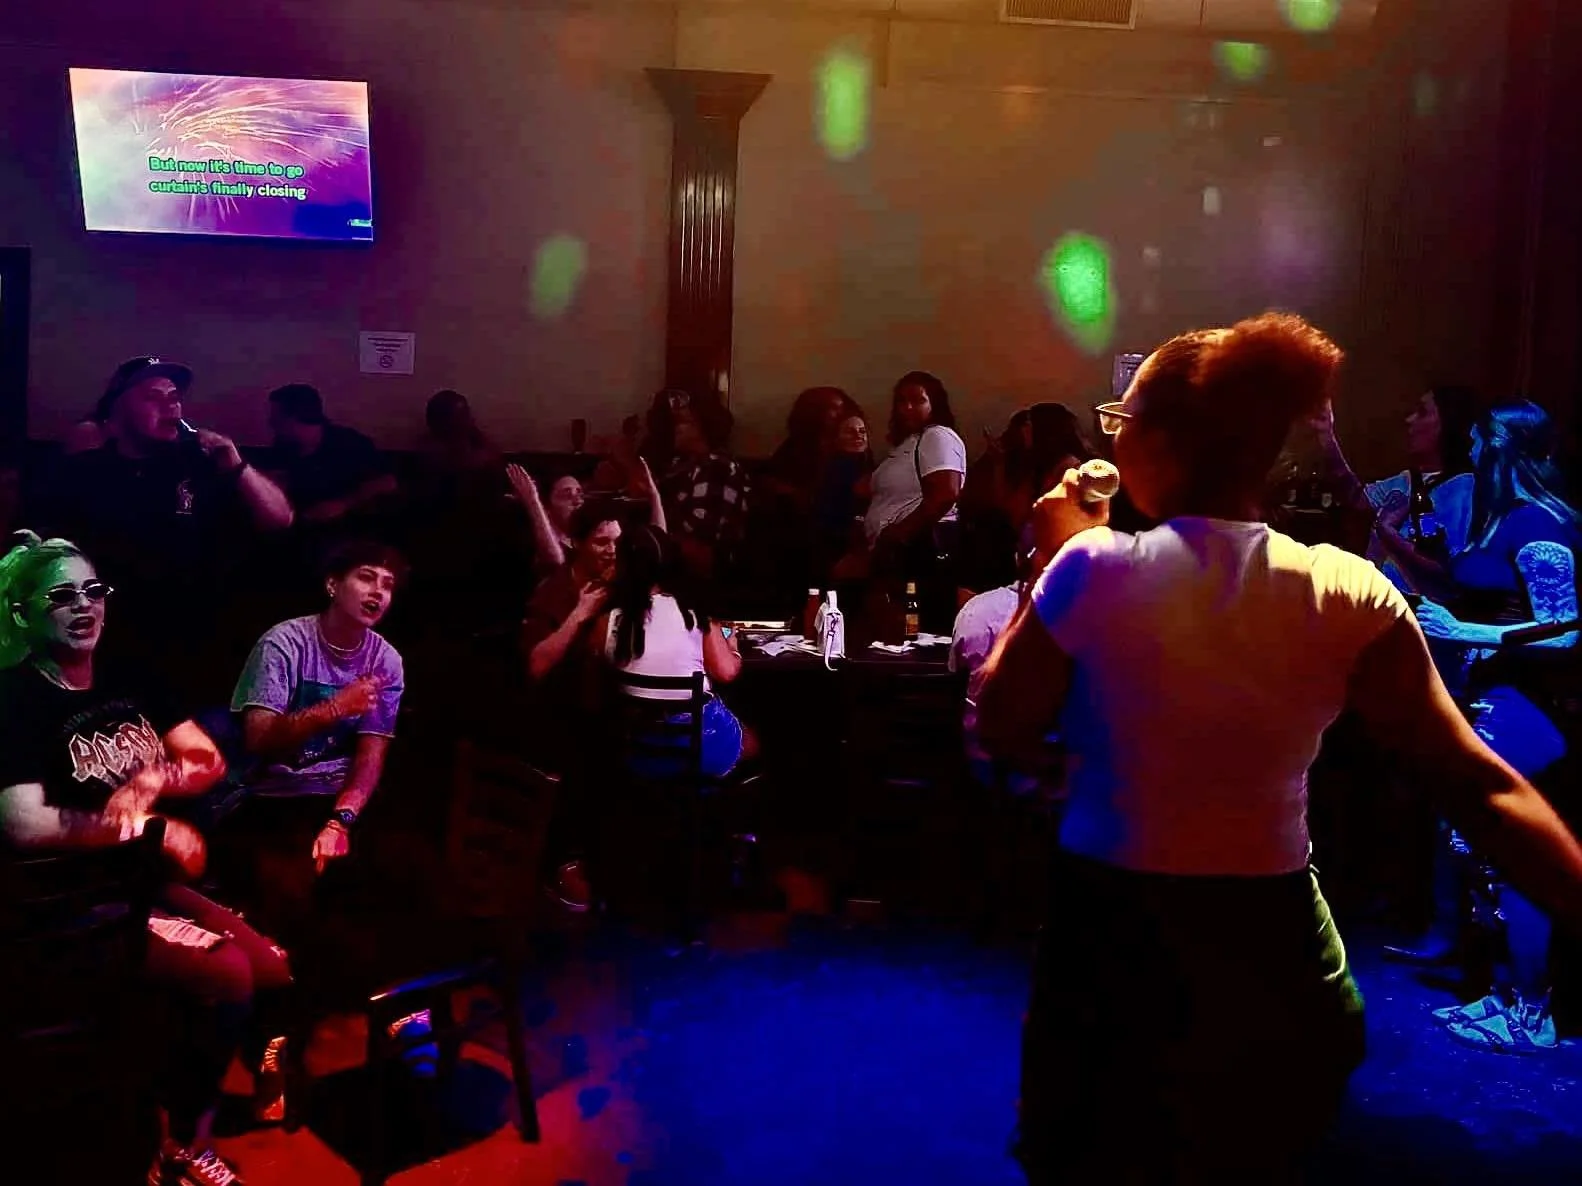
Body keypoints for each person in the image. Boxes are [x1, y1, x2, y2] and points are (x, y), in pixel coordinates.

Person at [976, 313, 1582, 1184]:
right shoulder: (1345, 588)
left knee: (1094, 1155)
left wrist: (1051, 551)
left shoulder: (1093, 565)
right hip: (1275, 946)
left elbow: (1000, 721)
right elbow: (1481, 788)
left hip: (1115, 935)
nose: (1111, 436)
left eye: (1121, 419)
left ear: (1163, 442)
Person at [0, 532, 290, 1186]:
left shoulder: (129, 676)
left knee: (272, 969)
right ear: (22, 613)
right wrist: (147, 828)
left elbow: (207, 759)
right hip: (78, 909)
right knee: (230, 977)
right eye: (61, 595)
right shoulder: (16, 697)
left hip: (145, 886)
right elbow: (19, 821)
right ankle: (184, 1140)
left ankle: (173, 1097)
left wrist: (155, 777)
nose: (84, 605)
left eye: (93, 590)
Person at [1407, 400, 1582, 1049]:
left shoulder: (1539, 523)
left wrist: (1464, 630)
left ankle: (1533, 1013)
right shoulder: (1503, 520)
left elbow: (1566, 631)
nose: (1472, 453)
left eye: (1480, 442)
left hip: (1525, 711)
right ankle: (1506, 992)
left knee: (1509, 857)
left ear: (1503, 448)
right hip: (1491, 701)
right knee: (1481, 854)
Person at [34, 357, 294, 696]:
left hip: (197, 641)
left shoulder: (202, 465)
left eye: (174, 397)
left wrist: (236, 464)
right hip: (112, 642)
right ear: (118, 410)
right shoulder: (83, 472)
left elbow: (280, 519)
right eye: (153, 397)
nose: (171, 405)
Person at [226, 542, 406, 965]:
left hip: (338, 796)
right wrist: (336, 707)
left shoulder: (386, 660)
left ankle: (387, 994)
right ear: (332, 585)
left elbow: (371, 755)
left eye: (387, 585)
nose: (377, 592)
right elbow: (259, 737)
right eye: (366, 577)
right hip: (273, 795)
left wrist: (341, 820)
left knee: (405, 872)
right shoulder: (284, 643)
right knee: (294, 895)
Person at [519, 504, 624, 910]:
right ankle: (562, 865)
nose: (611, 550)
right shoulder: (554, 590)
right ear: (577, 544)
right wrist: (580, 614)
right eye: (601, 542)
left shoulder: (621, 587)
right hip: (558, 712)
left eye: (617, 542)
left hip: (609, 708)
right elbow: (536, 665)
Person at [596, 525, 754, 780]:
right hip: (698, 751)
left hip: (638, 752)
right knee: (754, 743)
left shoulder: (608, 621)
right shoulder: (696, 613)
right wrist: (733, 647)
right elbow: (726, 672)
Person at [1314, 383, 1480, 595]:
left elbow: (1445, 573)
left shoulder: (1462, 489)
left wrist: (1388, 533)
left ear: (1448, 425)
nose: (1409, 420)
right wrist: (1327, 438)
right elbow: (1357, 499)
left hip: (1414, 609)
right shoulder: (1408, 479)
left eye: (1422, 412)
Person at [850, 371, 967, 631]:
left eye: (917, 400)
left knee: (911, 628)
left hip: (917, 553)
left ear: (935, 403)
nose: (907, 408)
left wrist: (898, 534)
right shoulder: (909, 443)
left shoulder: (937, 435)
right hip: (896, 554)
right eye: (901, 401)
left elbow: (946, 493)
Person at [648, 390, 750, 581]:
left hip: (700, 583)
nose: (675, 428)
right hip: (673, 570)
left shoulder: (717, 467)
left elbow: (704, 554)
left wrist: (653, 539)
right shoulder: (683, 464)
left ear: (702, 426)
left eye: (682, 422)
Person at [263, 384, 396, 526]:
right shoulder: (283, 445)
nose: (270, 422)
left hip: (349, 526)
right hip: (300, 524)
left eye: (276, 418)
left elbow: (387, 482)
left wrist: (343, 504)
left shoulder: (348, 443)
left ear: (294, 419)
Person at [508, 459, 664, 578]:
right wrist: (533, 502)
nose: (577, 501)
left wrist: (654, 495)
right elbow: (557, 562)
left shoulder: (595, 535)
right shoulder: (540, 544)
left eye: (580, 493)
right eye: (567, 495)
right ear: (547, 508)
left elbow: (658, 545)